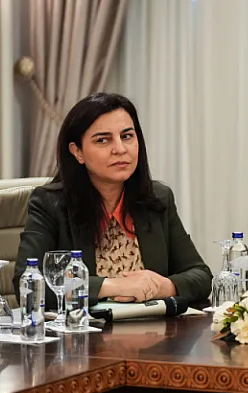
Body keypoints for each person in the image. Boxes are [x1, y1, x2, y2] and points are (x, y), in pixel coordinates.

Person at [14, 93, 212, 310]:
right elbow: (28, 284)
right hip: (86, 330)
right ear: (77, 152)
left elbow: (201, 275)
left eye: (127, 136)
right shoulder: (49, 204)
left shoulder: (158, 198)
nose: (120, 149)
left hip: (154, 328)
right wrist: (112, 286)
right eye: (103, 140)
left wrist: (162, 287)